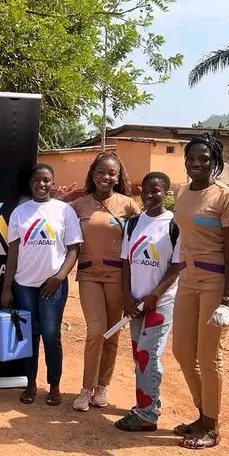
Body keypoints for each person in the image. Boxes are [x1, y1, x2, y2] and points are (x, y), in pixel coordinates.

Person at [171, 134, 229, 449]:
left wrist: (227, 300)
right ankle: (203, 413)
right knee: (182, 351)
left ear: (216, 162)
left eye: (204, 159)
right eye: (191, 158)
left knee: (208, 356)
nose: (196, 164)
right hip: (187, 281)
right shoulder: (181, 192)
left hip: (216, 284)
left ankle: (211, 426)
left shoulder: (227, 198)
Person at [1, 163, 82, 405]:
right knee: (30, 336)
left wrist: (59, 277)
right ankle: (31, 383)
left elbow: (74, 249)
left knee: (50, 334)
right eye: (37, 180)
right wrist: (7, 288)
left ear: (53, 182)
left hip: (53, 285)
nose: (41, 184)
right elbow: (12, 254)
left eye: (46, 180)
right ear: (31, 183)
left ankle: (54, 385)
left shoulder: (65, 211)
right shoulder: (20, 213)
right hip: (24, 284)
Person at [70, 152, 140, 411]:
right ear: (93, 174)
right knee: (96, 330)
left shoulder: (129, 206)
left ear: (118, 176)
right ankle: (85, 389)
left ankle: (102, 386)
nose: (106, 177)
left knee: (112, 333)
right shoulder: (79, 205)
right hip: (88, 274)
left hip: (117, 277)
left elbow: (141, 241)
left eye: (112, 173)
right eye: (101, 172)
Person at [115, 172, 180, 432]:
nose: (150, 195)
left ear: (166, 193)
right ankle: (150, 403)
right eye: (146, 191)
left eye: (157, 191)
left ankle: (146, 414)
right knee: (139, 354)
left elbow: (176, 267)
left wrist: (155, 295)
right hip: (135, 303)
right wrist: (127, 297)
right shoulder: (133, 224)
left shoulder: (175, 225)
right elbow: (125, 262)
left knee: (147, 354)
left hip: (161, 302)